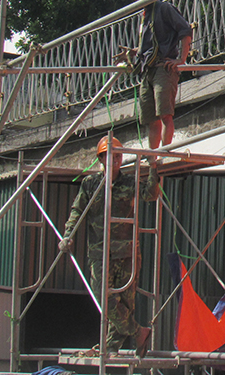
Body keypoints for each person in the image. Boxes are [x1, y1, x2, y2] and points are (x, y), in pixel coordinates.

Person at [59, 136, 160, 356]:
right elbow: (77, 211)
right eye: (111, 156)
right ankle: (138, 332)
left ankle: (110, 347)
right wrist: (68, 235)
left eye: (118, 156)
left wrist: (153, 168)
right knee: (105, 298)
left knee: (125, 301)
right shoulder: (90, 185)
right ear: (102, 158)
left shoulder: (129, 182)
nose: (115, 160)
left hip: (127, 252)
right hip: (100, 252)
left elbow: (151, 195)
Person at [118, 0, 193, 150]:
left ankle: (165, 154)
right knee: (151, 120)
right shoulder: (144, 18)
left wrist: (181, 59)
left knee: (165, 115)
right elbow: (151, 47)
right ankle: (153, 159)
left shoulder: (164, 8)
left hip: (163, 68)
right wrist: (133, 53)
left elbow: (185, 30)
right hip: (147, 70)